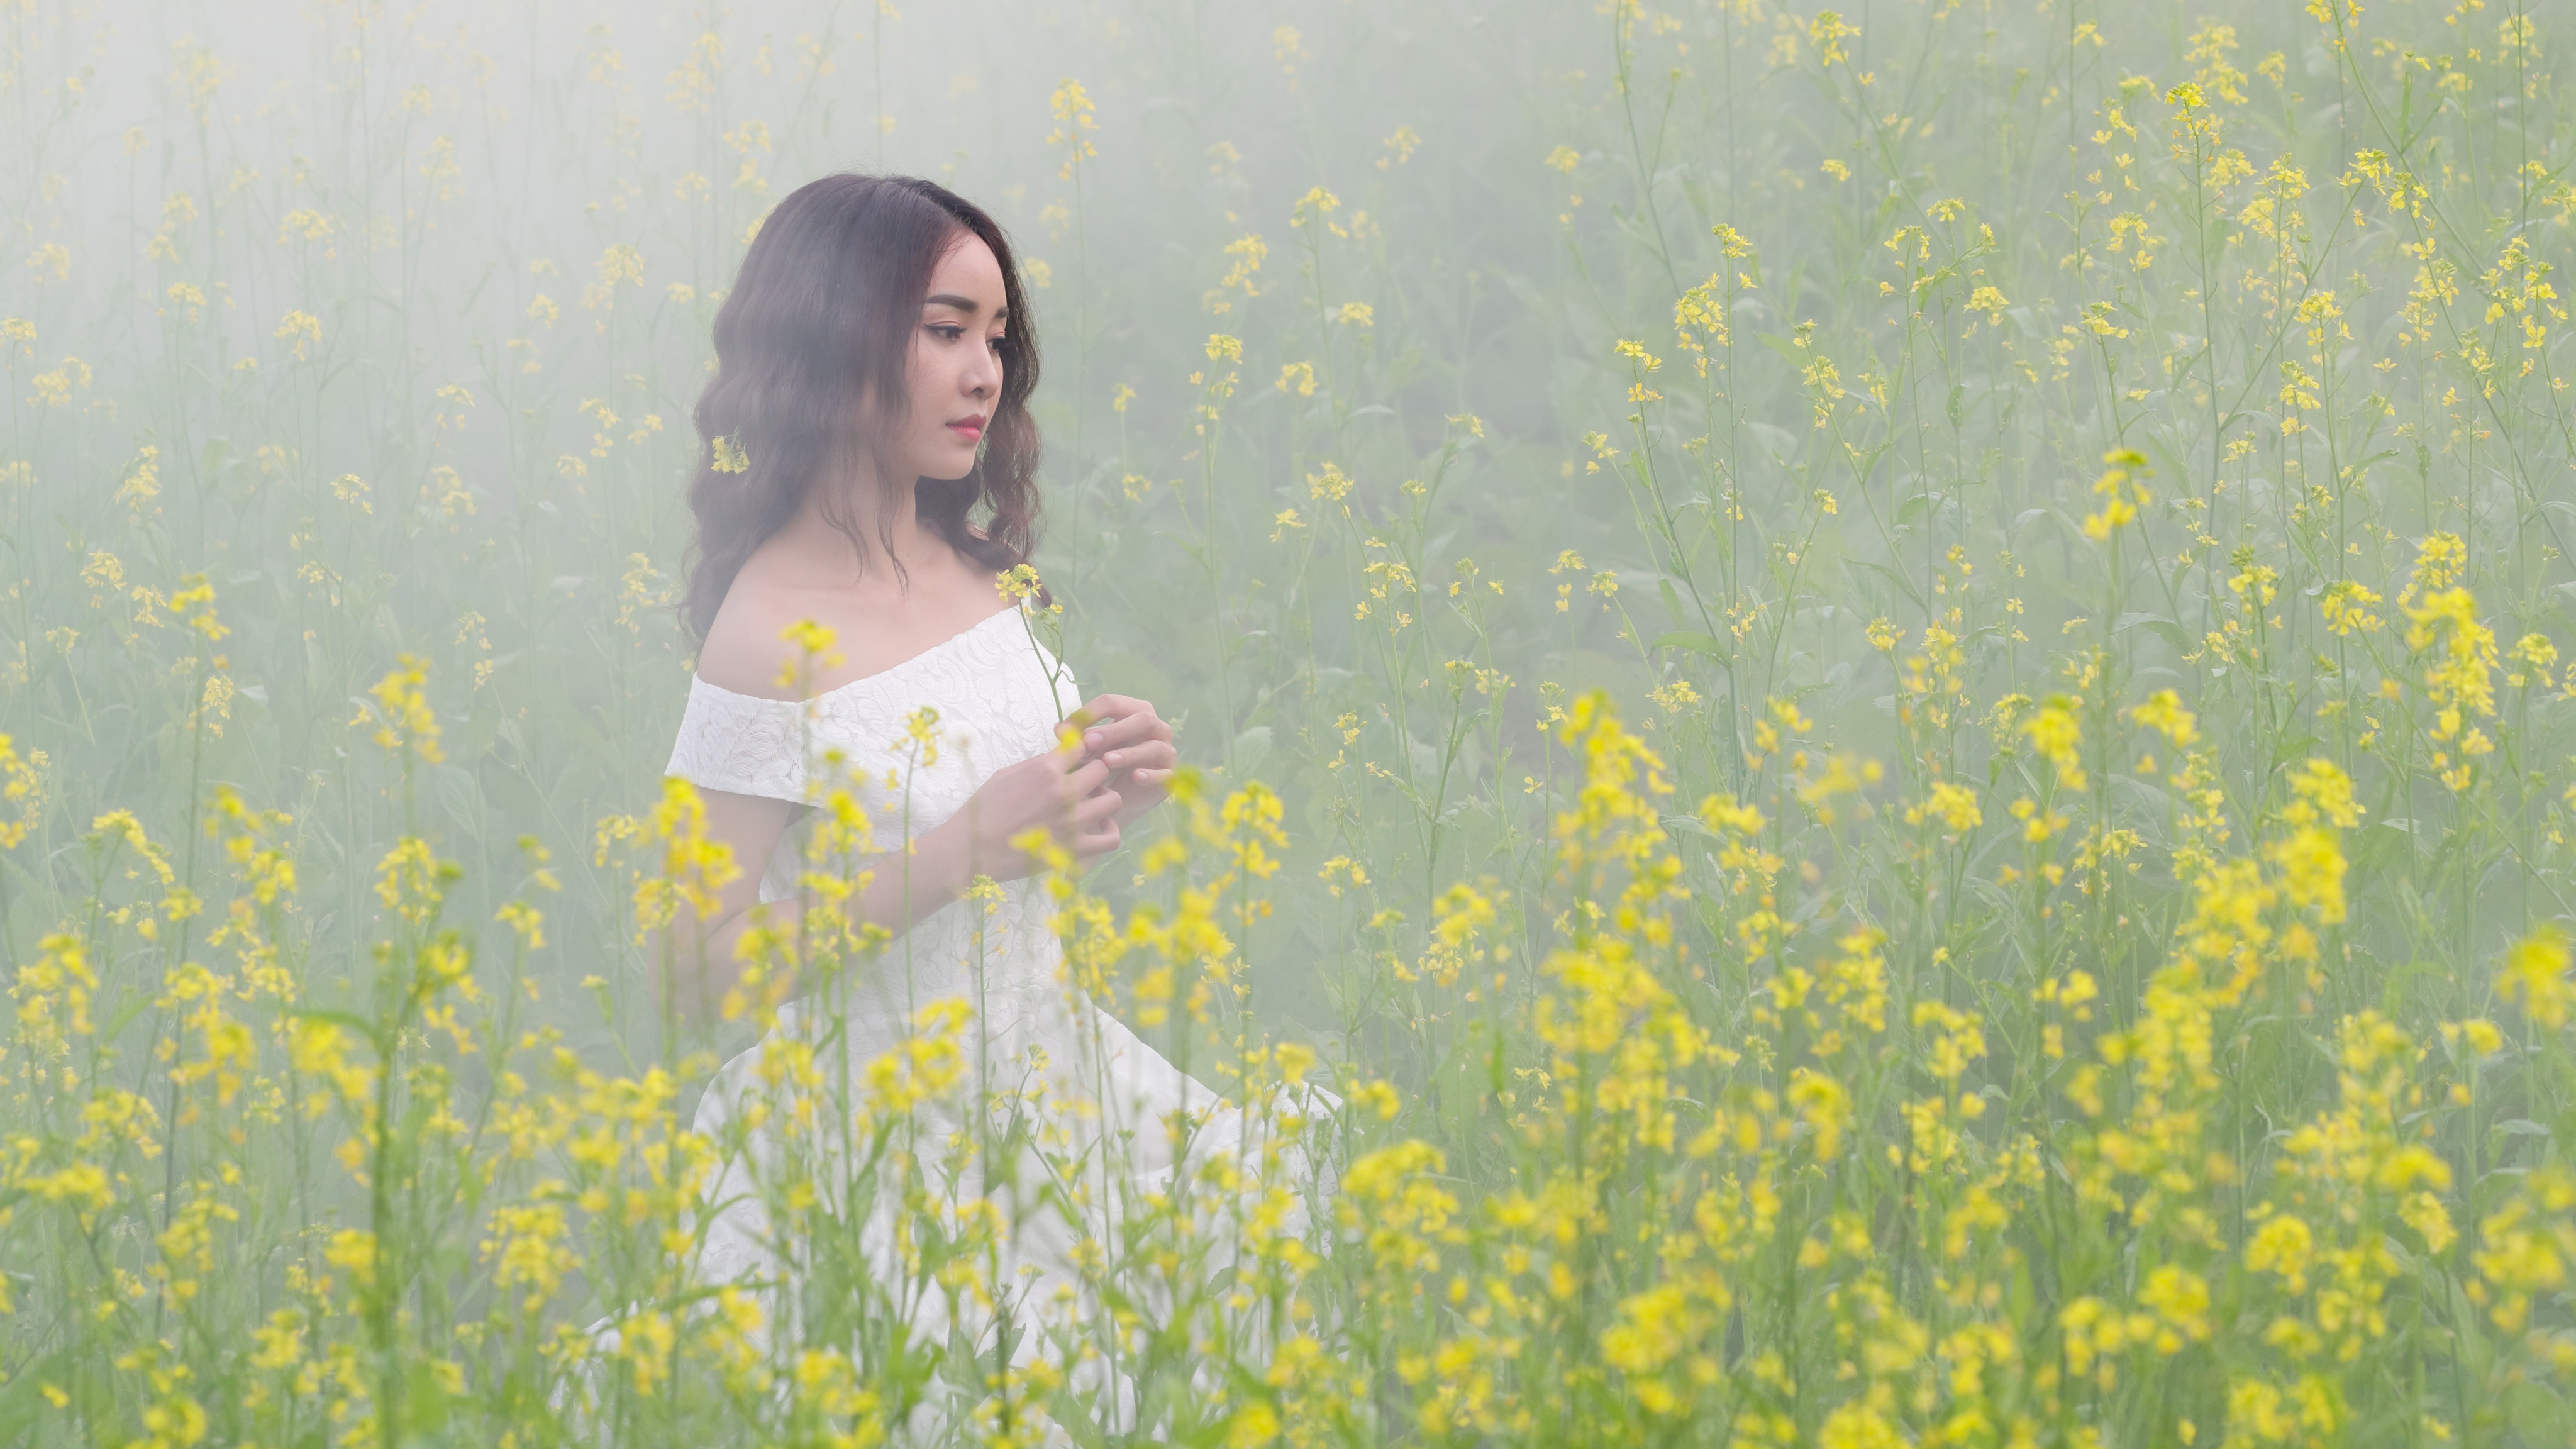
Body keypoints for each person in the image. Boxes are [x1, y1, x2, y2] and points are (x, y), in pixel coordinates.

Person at [630, 172, 1331, 1441]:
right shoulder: (761, 629)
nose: (983, 375)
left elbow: (1007, 821)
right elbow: (691, 975)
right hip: (884, 1157)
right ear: (837, 333)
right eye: (943, 329)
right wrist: (963, 850)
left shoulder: (971, 566)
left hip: (1061, 1088)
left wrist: (1102, 775)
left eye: (995, 339)